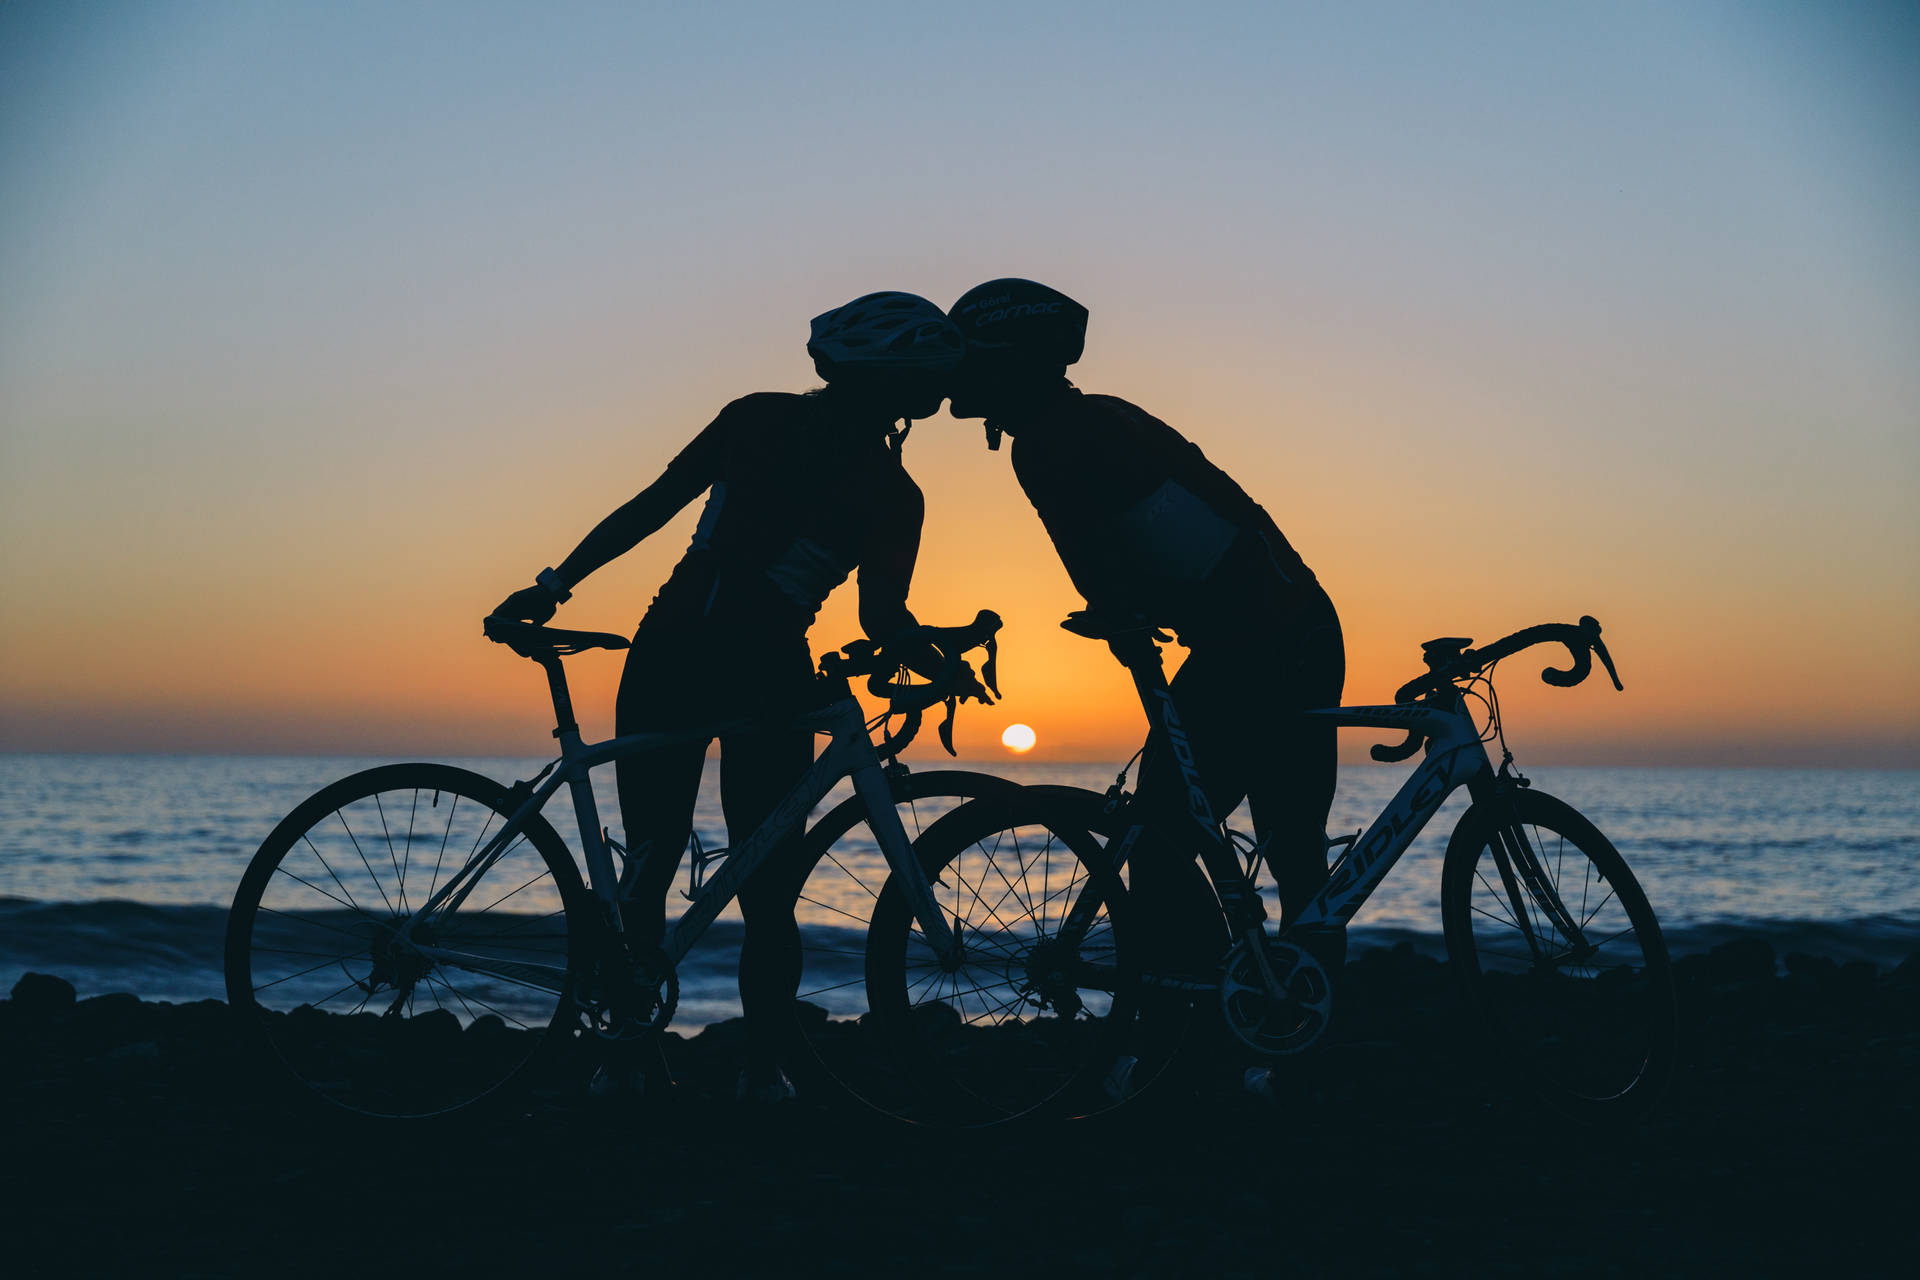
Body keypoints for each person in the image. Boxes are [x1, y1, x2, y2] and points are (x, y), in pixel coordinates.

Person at [489, 291, 964, 1100]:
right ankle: (764, 1068)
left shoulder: (756, 418)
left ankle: (626, 1057)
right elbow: (880, 615)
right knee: (768, 885)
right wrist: (933, 656)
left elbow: (651, 507)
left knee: (652, 858)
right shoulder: (894, 490)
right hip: (769, 674)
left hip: (668, 655)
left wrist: (555, 584)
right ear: (898, 382)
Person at [945, 278, 1346, 940]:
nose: (961, 381)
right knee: (1278, 845)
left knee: (1186, 837)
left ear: (1014, 364)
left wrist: (1119, 613)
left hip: (1271, 640)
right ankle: (1252, 1001)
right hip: (1271, 632)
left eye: (975, 363)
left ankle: (1206, 1005)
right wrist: (1122, 611)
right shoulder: (1088, 419)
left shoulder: (1056, 438)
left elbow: (1101, 559)